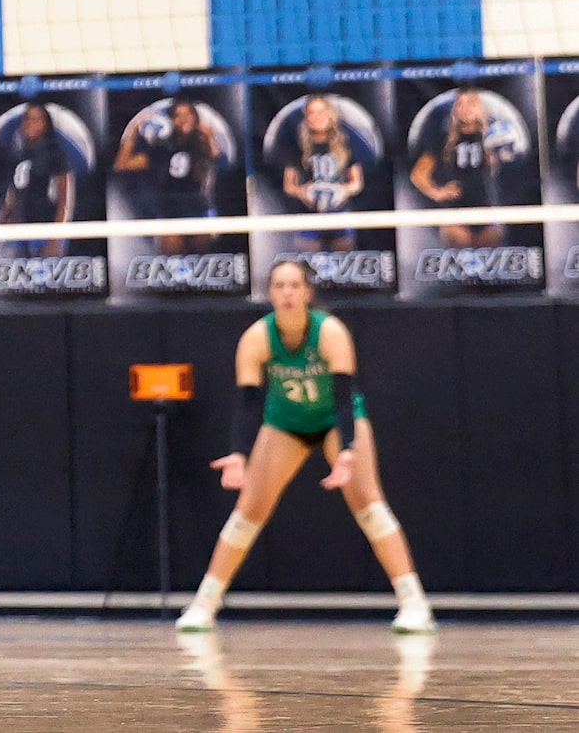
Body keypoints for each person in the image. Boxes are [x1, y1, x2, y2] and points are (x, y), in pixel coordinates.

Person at [177, 257, 433, 635]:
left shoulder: (330, 332)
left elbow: (345, 399)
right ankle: (204, 604)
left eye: (294, 285)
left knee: (369, 505)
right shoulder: (256, 338)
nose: (286, 293)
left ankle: (414, 603)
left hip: (334, 420)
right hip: (286, 423)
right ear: (270, 293)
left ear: (308, 292)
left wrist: (347, 450)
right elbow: (248, 405)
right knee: (248, 511)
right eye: (279, 286)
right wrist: (238, 454)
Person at [115, 99, 226, 253]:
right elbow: (122, 165)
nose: (184, 119)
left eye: (188, 114)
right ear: (171, 121)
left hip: (198, 210)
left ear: (196, 118)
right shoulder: (161, 148)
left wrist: (209, 137)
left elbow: (221, 162)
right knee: (173, 264)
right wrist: (133, 133)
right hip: (170, 213)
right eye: (178, 115)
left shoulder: (202, 145)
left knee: (203, 261)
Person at [409, 90, 501, 249]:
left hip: (485, 210)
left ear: (480, 108)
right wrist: (438, 193)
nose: (465, 108)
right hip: (455, 214)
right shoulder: (444, 140)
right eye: (460, 103)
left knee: (488, 266)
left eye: (471, 103)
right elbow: (418, 175)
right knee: (460, 265)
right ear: (455, 110)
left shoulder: (492, 137)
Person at [0, 103, 79, 256]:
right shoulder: (19, 154)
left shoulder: (55, 154)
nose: (30, 123)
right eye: (27, 118)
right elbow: (15, 189)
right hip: (21, 229)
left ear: (46, 123)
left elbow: (65, 199)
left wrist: (55, 238)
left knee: (47, 276)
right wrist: (6, 215)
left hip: (46, 229)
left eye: (36, 119)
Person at [285, 95, 363, 254]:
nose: (317, 117)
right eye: (312, 112)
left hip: (339, 213)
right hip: (308, 215)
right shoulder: (296, 146)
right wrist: (303, 192)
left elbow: (357, 183)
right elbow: (288, 186)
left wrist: (342, 190)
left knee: (342, 265)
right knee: (310, 265)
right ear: (306, 117)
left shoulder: (345, 143)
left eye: (321, 111)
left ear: (330, 114)